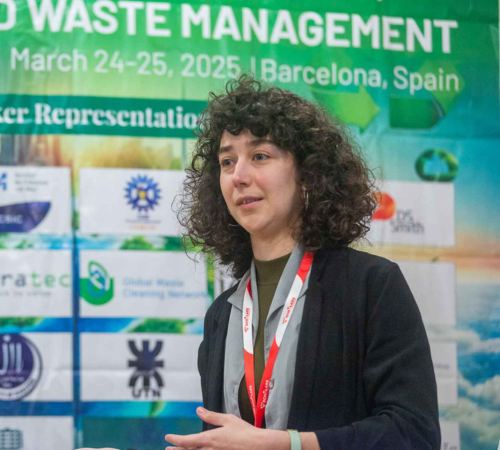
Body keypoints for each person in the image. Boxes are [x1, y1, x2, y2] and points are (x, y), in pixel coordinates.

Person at [168, 75, 440, 450]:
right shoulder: (220, 315)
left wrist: (287, 444)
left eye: (260, 156)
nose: (239, 176)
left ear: (308, 174)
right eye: (227, 161)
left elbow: (413, 434)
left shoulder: (371, 286)